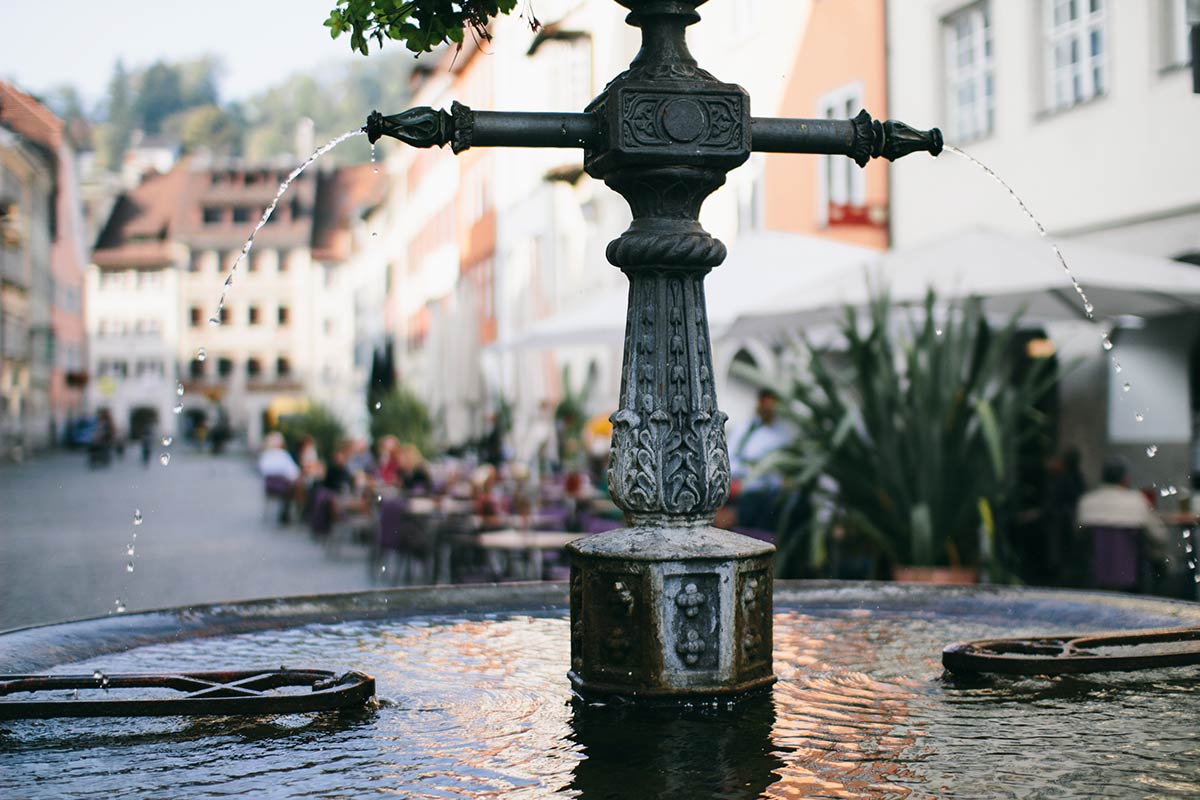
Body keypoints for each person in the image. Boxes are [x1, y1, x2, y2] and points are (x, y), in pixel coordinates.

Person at [1077, 456, 1168, 591]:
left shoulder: (1086, 501)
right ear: (1125, 479)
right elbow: (1160, 537)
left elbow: (1078, 535)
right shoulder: (1137, 501)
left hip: (1093, 578)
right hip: (1133, 579)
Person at [728, 389, 791, 531]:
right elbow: (730, 459)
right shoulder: (743, 429)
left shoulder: (782, 437)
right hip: (737, 489)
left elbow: (777, 475)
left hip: (762, 495)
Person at [259, 432, 301, 523]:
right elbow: (293, 471)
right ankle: (291, 513)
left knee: (293, 487)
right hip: (283, 486)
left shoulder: (266, 455)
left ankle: (287, 513)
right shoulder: (283, 455)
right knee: (296, 487)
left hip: (270, 486)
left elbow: (263, 470)